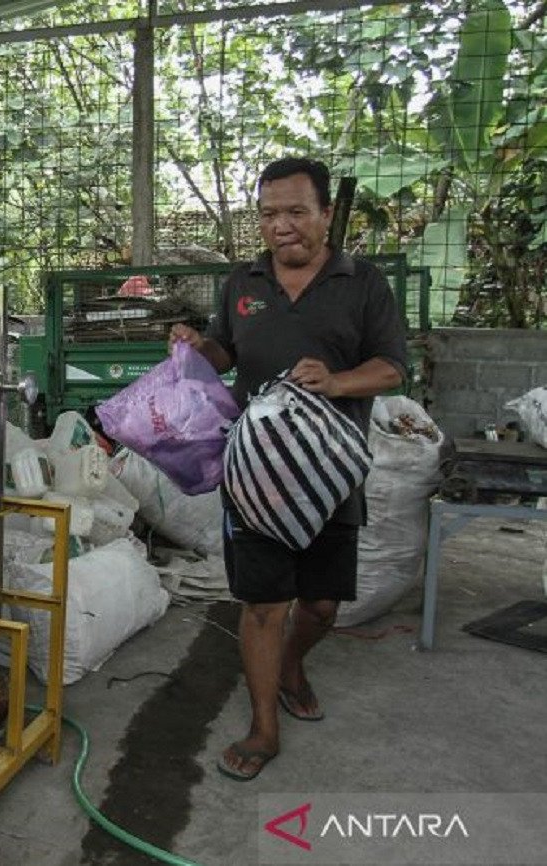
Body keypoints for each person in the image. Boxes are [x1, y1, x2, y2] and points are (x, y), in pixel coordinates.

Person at [169, 157, 407, 782]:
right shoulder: (242, 283)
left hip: (331, 470)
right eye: (270, 214)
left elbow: (392, 369)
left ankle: (293, 666)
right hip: (257, 474)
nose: (282, 226)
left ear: (326, 214)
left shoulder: (363, 283)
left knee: (323, 604)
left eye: (297, 212)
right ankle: (263, 726)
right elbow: (226, 351)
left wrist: (335, 381)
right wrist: (201, 349)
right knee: (263, 604)